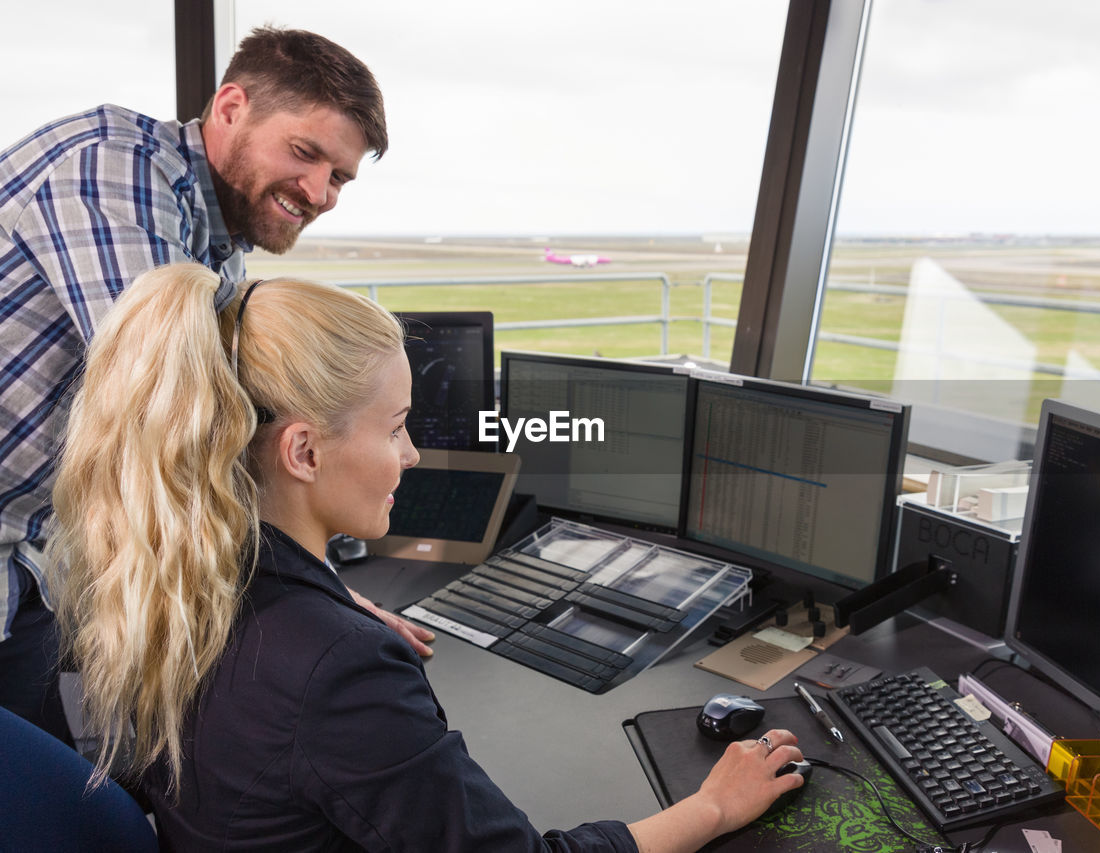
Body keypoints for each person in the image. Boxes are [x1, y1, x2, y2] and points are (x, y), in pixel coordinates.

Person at [49, 263, 807, 851]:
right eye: (397, 427)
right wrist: (711, 806)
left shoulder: (187, 588)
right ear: (304, 450)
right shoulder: (335, 666)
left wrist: (326, 610)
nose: (411, 454)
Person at [0, 26, 431, 742]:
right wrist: (317, 593)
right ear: (230, 107)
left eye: (341, 178)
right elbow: (177, 417)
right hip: (21, 541)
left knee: (70, 767)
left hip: (26, 552)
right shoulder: (113, 173)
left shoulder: (217, 252)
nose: (320, 193)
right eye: (305, 152)